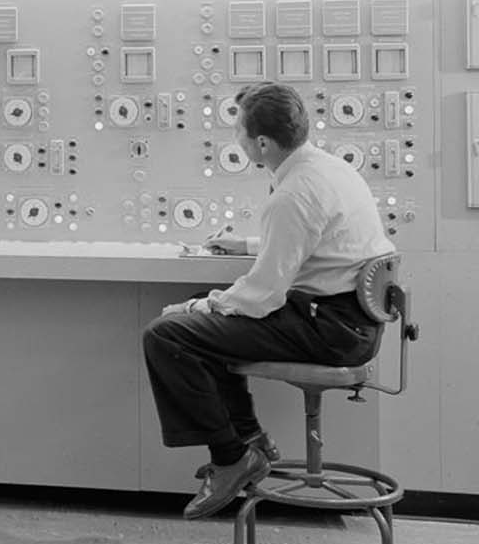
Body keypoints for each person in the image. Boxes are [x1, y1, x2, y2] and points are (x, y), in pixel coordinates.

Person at [142, 81, 389, 519]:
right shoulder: (327, 169)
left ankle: (231, 457)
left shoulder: (292, 194)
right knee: (205, 317)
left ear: (259, 142)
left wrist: (199, 307)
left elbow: (261, 297)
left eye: (236, 129)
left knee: (168, 334)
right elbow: (310, 242)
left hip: (329, 331)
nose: (234, 137)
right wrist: (245, 246)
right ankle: (248, 440)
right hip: (350, 322)